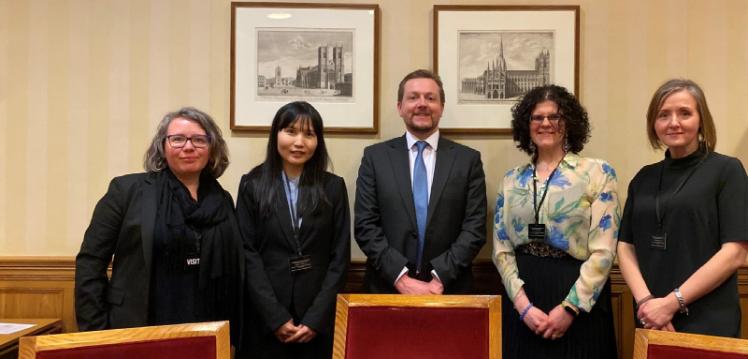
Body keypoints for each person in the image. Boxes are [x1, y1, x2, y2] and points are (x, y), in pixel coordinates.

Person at [75, 107, 244, 345]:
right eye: (177, 139)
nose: (188, 147)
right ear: (162, 147)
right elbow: (90, 262)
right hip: (137, 328)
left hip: (209, 329)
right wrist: (97, 334)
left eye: (199, 139)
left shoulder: (223, 200)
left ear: (212, 148)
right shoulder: (126, 192)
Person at [493, 85, 619, 358]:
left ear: (569, 122)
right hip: (524, 296)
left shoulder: (597, 173)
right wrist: (523, 306)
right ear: (526, 125)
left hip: (579, 295)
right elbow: (501, 249)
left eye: (555, 117)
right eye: (537, 117)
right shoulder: (511, 179)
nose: (546, 123)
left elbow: (604, 251)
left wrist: (570, 308)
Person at [617, 79, 748, 337]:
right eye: (663, 115)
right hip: (651, 317)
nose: (673, 122)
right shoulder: (643, 178)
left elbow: (735, 253)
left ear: (702, 120)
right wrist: (646, 303)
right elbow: (625, 245)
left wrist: (671, 303)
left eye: (684, 113)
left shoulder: (727, 171)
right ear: (653, 124)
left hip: (709, 319)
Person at [354, 69, 486, 295]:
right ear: (400, 107)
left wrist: (440, 277)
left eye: (430, 98)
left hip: (449, 290)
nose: (422, 104)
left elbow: (474, 227)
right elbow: (366, 225)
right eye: (413, 97)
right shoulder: (375, 158)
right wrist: (401, 279)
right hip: (387, 288)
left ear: (441, 107)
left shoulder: (468, 160)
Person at [236, 101, 350, 359]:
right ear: (275, 134)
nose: (299, 142)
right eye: (290, 131)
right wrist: (275, 317)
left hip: (317, 319)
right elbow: (247, 253)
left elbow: (339, 258)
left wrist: (316, 319)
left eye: (309, 134)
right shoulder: (252, 185)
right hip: (265, 319)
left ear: (318, 141)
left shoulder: (333, 187)